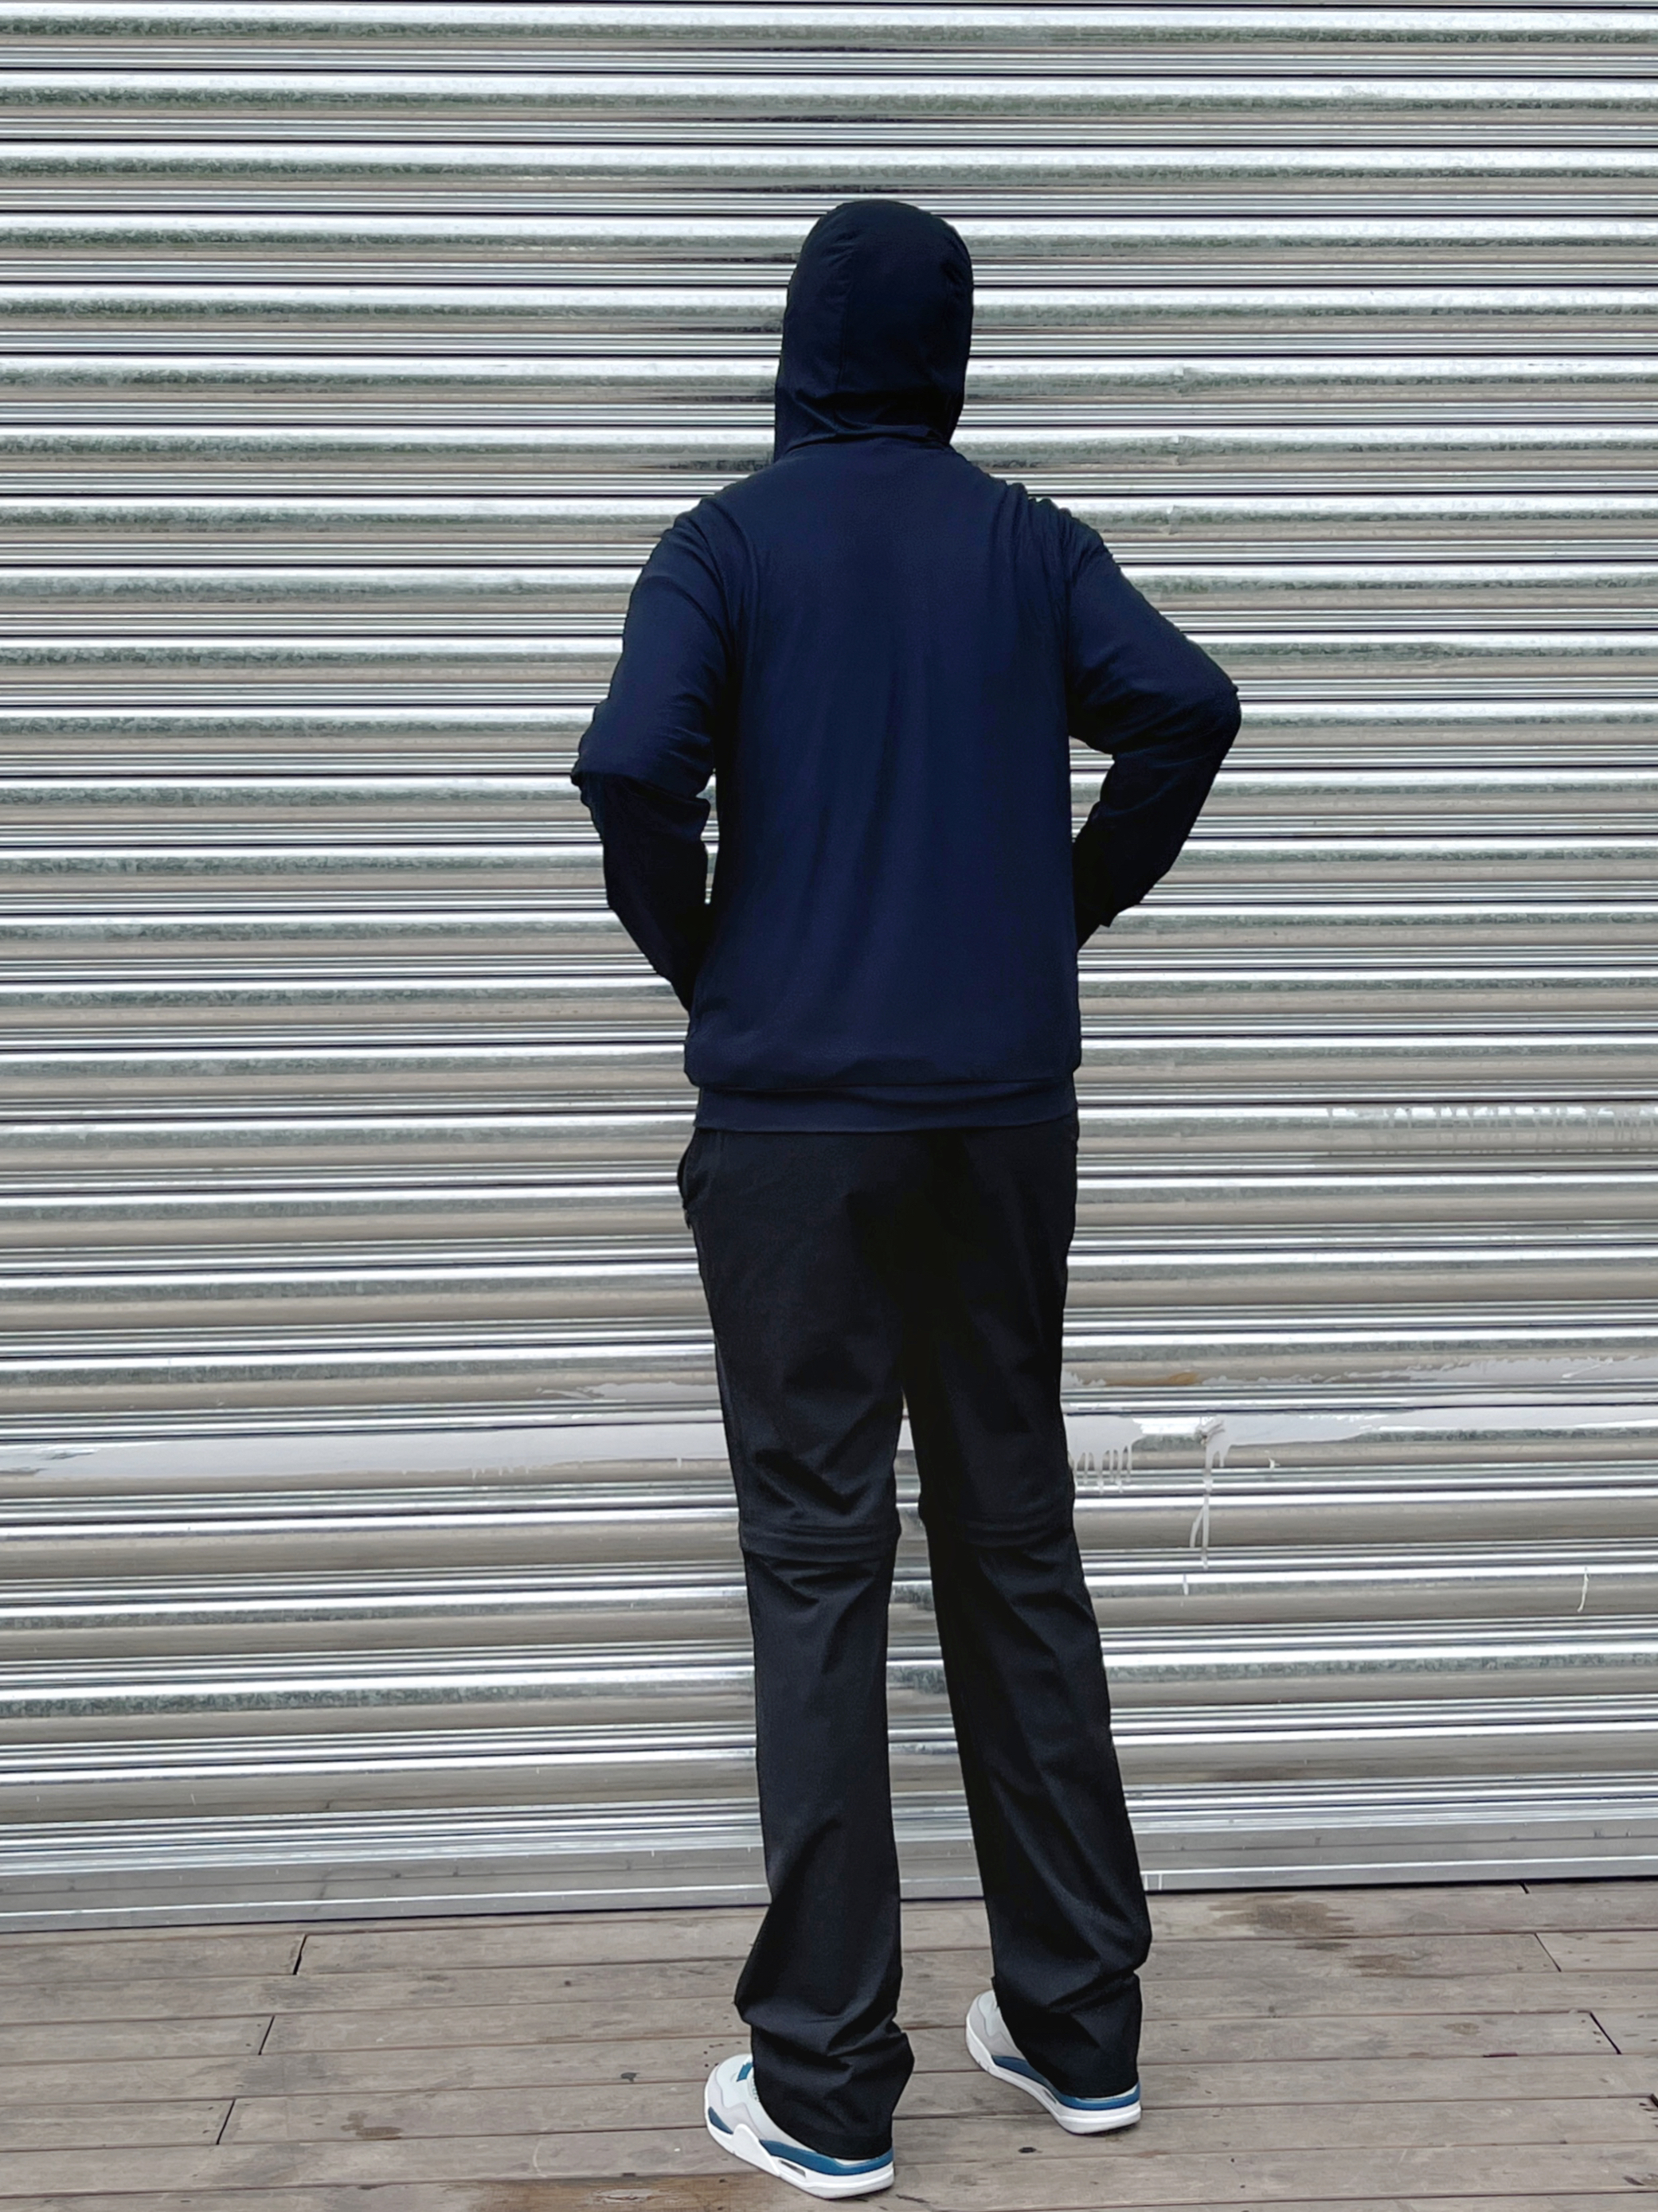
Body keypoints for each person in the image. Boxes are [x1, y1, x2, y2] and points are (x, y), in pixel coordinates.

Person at [573, 197, 1239, 2201]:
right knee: (1014, 1540)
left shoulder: (727, 548)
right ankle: (1078, 2026)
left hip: (795, 1135)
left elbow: (630, 767)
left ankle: (825, 2085)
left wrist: (715, 961)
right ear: (950, 356)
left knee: (818, 1560)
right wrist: (1058, 912)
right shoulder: (1030, 548)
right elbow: (1189, 707)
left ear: (797, 350)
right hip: (999, 1122)